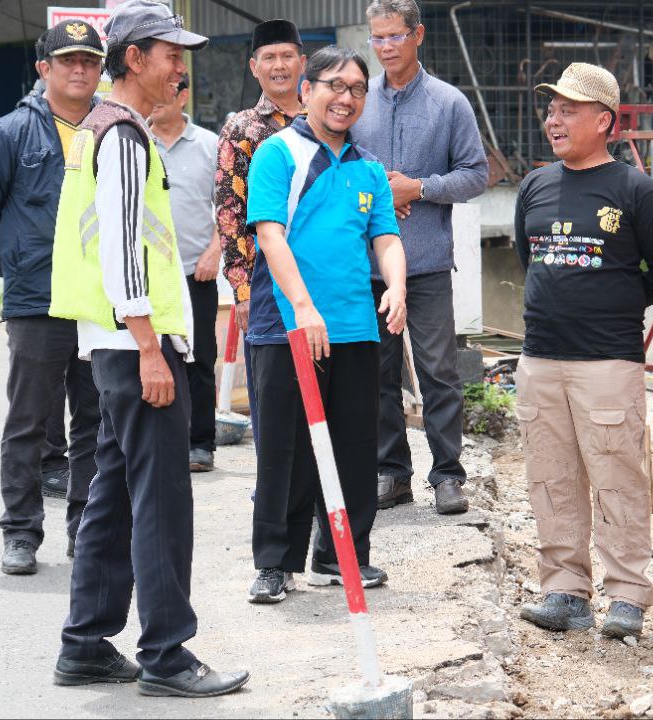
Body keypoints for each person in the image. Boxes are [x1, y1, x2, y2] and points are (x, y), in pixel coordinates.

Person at [48, 0, 248, 698]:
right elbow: (122, 250)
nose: (178, 66)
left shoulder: (96, 128)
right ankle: (167, 652)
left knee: (112, 495)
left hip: (113, 345)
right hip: (137, 344)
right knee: (161, 499)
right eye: (169, 54)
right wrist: (151, 348)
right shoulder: (127, 138)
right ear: (134, 59)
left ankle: (85, 643)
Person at [512, 63, 653, 638]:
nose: (554, 120)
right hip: (540, 359)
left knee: (617, 475)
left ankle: (628, 595)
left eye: (569, 109)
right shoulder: (535, 185)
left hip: (607, 362)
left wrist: (610, 303)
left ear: (604, 121)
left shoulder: (636, 191)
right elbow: (528, 257)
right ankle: (564, 591)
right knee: (550, 476)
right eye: (552, 109)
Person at [243, 45, 407, 604]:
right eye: (335, 86)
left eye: (358, 89)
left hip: (356, 329)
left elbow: (384, 238)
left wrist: (398, 286)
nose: (346, 98)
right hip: (287, 326)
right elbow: (269, 234)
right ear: (307, 89)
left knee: (355, 447)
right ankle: (274, 562)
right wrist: (305, 308)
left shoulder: (368, 170)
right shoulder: (278, 153)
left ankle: (342, 555)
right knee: (286, 450)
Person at [0, 18, 106, 575]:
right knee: (29, 418)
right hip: (37, 300)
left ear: (101, 71)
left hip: (98, 300)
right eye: (67, 61)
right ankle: (20, 532)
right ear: (44, 69)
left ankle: (85, 530)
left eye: (89, 61)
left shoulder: (113, 128)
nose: (78, 69)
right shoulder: (9, 133)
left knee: (95, 418)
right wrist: (13, 265)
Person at [350, 0, 488, 516]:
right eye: (377, 38)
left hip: (426, 261)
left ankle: (449, 475)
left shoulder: (449, 103)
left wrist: (420, 188)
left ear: (418, 35)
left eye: (394, 37)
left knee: (437, 371)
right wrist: (381, 200)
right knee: (376, 373)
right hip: (367, 265)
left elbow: (476, 174)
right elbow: (344, 166)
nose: (385, 48)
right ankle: (393, 473)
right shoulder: (359, 101)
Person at [215, 18, 307, 447]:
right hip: (264, 284)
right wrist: (241, 290)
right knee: (272, 391)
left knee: (324, 386)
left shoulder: (324, 119)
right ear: (254, 66)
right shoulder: (241, 129)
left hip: (320, 272)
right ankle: (275, 494)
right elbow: (229, 213)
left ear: (302, 62)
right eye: (269, 57)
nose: (279, 65)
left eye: (287, 56)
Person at [149, 73, 221, 473]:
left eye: (167, 91)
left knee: (199, 360)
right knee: (152, 357)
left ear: (184, 96)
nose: (157, 99)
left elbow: (229, 210)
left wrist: (215, 252)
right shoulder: (135, 142)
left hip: (197, 273)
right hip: (149, 275)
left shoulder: (210, 145)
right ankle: (161, 439)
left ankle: (200, 444)